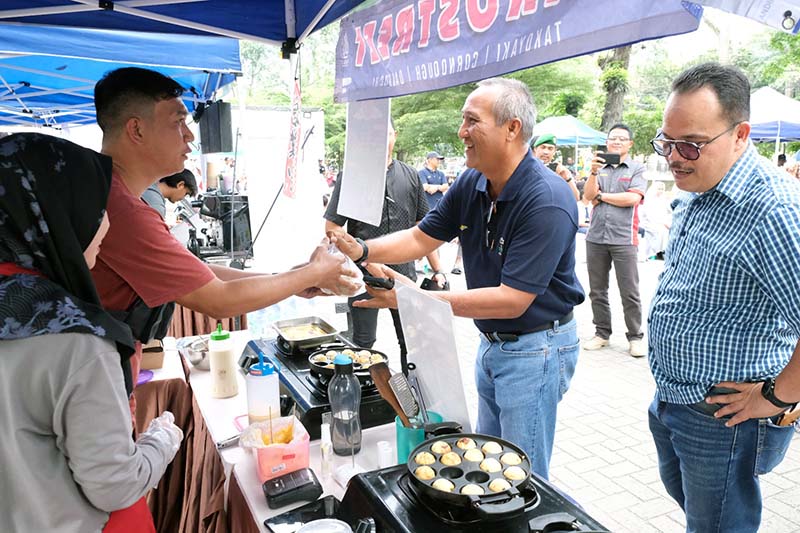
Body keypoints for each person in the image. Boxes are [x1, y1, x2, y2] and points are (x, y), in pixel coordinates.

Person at [330, 78, 584, 478]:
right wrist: (362, 250)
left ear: (512, 128)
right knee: (491, 462)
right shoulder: (473, 181)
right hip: (494, 343)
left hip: (537, 347)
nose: (461, 132)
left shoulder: (547, 199)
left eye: (471, 121)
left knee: (524, 474)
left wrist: (413, 299)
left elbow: (512, 299)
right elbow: (420, 236)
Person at [90, 67, 357, 388]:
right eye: (178, 122)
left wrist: (288, 279)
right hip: (95, 377)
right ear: (136, 129)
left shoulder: (106, 190)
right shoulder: (124, 211)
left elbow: (201, 273)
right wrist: (313, 273)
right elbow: (218, 299)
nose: (189, 135)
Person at [0, 133, 183, 532]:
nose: (107, 226)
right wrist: (162, 439)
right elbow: (114, 486)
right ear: (55, 213)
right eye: (97, 210)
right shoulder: (74, 340)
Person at [648, 62, 800, 533]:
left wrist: (777, 398)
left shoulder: (773, 209)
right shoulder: (700, 187)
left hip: (726, 416)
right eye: (666, 142)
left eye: (691, 143)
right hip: (676, 397)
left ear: (740, 135)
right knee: (701, 515)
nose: (675, 156)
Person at [324, 121, 445, 358]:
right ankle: (360, 390)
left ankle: (413, 394)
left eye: (387, 134)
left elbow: (424, 230)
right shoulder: (352, 175)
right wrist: (360, 257)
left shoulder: (410, 175)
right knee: (362, 343)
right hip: (363, 275)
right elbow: (332, 226)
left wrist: (438, 270)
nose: (382, 140)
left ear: (395, 136)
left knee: (411, 344)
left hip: (404, 274)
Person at [582, 123, 647, 357]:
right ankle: (601, 333)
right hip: (596, 236)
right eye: (613, 138)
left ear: (629, 144)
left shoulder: (637, 169)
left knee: (629, 291)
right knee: (597, 290)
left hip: (624, 238)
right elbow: (588, 197)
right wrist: (592, 173)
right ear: (607, 142)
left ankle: (635, 337)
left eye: (622, 139)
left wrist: (602, 196)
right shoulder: (598, 168)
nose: (617, 142)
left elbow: (631, 198)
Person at [533, 134, 580, 200]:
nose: (546, 152)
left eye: (550, 148)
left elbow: (576, 198)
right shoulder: (527, 168)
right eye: (543, 147)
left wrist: (567, 179)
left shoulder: (559, 170)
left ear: (554, 151)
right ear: (535, 149)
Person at [639, 181, 671, 260]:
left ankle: (659, 253)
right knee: (657, 231)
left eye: (662, 189)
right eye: (659, 188)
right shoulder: (649, 199)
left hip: (659, 223)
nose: (661, 190)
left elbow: (667, 211)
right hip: (648, 224)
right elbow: (648, 215)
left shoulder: (663, 199)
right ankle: (651, 254)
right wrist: (661, 223)